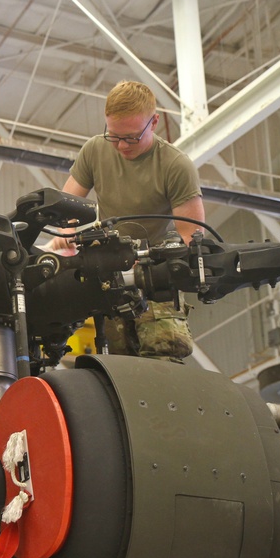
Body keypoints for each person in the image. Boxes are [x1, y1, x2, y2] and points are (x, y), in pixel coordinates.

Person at [51, 80, 206, 360]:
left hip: (156, 275)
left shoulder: (175, 166)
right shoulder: (95, 150)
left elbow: (191, 238)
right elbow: (67, 207)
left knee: (164, 354)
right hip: (110, 276)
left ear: (155, 122)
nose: (121, 145)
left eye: (132, 137)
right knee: (116, 366)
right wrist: (65, 232)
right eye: (114, 136)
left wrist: (153, 261)